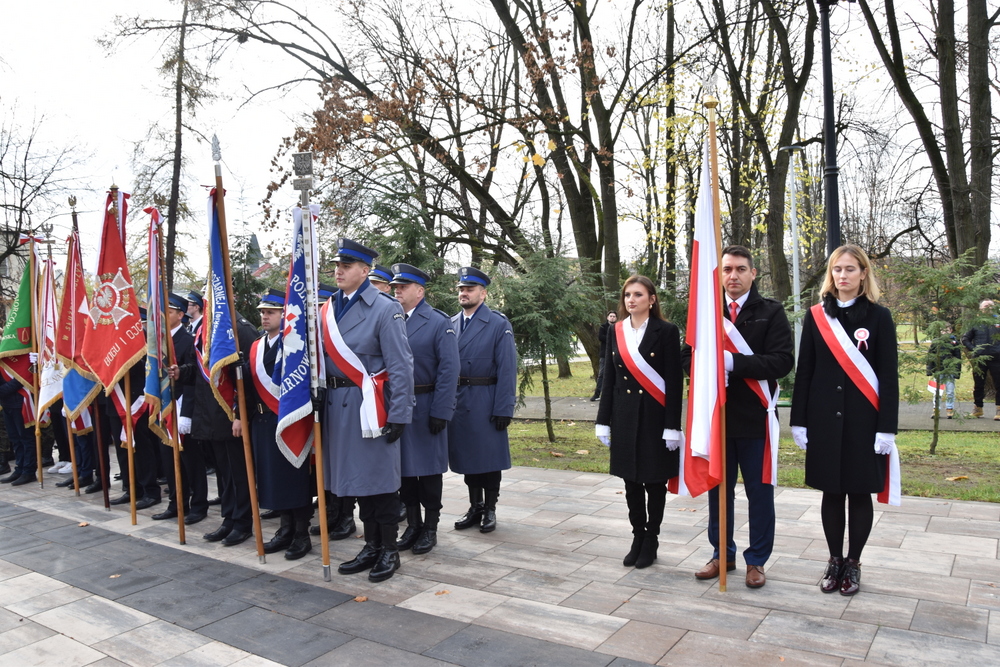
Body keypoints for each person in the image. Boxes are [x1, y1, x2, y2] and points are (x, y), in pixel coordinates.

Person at [790, 244, 899, 596]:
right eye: (837, 269)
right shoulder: (816, 316)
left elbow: (889, 376)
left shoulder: (879, 317)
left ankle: (853, 563)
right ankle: (834, 559)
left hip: (863, 422)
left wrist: (887, 427)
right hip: (823, 420)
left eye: (850, 269)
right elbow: (804, 370)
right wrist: (800, 420)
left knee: (859, 492)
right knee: (831, 492)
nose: (843, 276)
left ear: (863, 274)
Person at [687, 246, 794, 588]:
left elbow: (781, 361)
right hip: (717, 418)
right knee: (719, 490)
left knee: (759, 493)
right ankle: (722, 554)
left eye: (740, 269)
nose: (733, 275)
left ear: (753, 273)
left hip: (756, 419)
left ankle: (757, 560)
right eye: (727, 269)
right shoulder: (706, 313)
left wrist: (734, 362)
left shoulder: (771, 312)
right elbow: (686, 357)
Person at [320, 239, 413, 582]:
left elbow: (401, 365)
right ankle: (371, 544)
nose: (338, 271)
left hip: (370, 408)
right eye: (337, 266)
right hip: (336, 409)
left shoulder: (384, 308)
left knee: (379, 481)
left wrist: (400, 413)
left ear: (365, 270)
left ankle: (388, 548)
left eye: (346, 266)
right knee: (355, 481)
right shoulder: (328, 308)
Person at [595, 275, 683, 569]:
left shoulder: (667, 331)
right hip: (624, 416)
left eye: (638, 294)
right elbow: (609, 379)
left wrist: (673, 425)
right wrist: (603, 420)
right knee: (631, 482)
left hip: (654, 417)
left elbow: (673, 381)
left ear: (652, 299)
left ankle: (651, 538)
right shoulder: (615, 331)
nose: (631, 300)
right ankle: (637, 536)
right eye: (627, 295)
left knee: (655, 481)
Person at [238, 289, 314, 560]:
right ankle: (285, 529)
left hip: (288, 419)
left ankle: (301, 534)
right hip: (261, 420)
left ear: (285, 314)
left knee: (293, 478)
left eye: (270, 311)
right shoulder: (257, 346)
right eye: (262, 312)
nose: (264, 316)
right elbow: (246, 387)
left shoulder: (292, 343)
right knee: (272, 480)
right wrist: (239, 414)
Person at [390, 263, 459, 555]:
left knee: (429, 473)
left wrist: (441, 411)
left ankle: (430, 526)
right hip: (400, 407)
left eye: (402, 287)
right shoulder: (391, 319)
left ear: (419, 291)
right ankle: (413, 525)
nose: (396, 291)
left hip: (427, 404)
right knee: (405, 472)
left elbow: (449, 369)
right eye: (395, 287)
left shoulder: (437, 321)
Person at [449, 267, 517, 534]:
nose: (464, 293)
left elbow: (507, 369)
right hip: (460, 401)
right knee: (468, 458)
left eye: (470, 289)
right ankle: (474, 506)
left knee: (488, 459)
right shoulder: (451, 323)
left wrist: (504, 407)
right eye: (461, 289)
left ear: (483, 293)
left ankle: (490, 508)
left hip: (486, 399)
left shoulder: (499, 324)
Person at [310, 282, 358, 542]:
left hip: (344, 399)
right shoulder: (315, 330)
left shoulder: (338, 330)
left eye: (321, 306)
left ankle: (346, 516)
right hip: (324, 399)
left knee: (343, 461)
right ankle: (331, 512)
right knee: (328, 462)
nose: (318, 311)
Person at [154, 294, 207, 524]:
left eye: (170, 311)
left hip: (183, 406)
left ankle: (198, 505)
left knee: (191, 460)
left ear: (180, 314)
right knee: (168, 458)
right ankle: (176, 503)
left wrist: (186, 414)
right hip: (165, 406)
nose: (164, 315)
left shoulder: (188, 340)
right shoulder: (159, 341)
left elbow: (194, 378)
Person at [961, 300, 1000, 419]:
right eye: (985, 306)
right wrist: (974, 349)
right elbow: (965, 339)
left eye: (990, 306)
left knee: (999, 384)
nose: (987, 308)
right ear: (980, 309)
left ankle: (999, 409)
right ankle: (978, 408)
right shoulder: (975, 323)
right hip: (979, 359)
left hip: (997, 358)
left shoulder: (998, 321)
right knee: (979, 384)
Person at [927, 325, 962, 419]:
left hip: (950, 371)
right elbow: (931, 356)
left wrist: (957, 372)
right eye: (943, 330)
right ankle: (936, 409)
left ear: (951, 331)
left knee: (950, 391)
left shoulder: (954, 342)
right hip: (938, 371)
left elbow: (958, 358)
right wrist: (929, 370)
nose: (945, 332)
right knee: (937, 391)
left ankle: (949, 408)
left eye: (947, 330)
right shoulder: (936, 342)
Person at [591, 312, 617, 401]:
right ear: (607, 317)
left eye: (614, 316)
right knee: (602, 374)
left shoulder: (618, 327)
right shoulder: (603, 327)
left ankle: (614, 394)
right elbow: (601, 337)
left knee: (616, 374)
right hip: (604, 355)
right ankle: (597, 394)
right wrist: (612, 338)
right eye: (611, 316)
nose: (612, 318)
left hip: (615, 354)